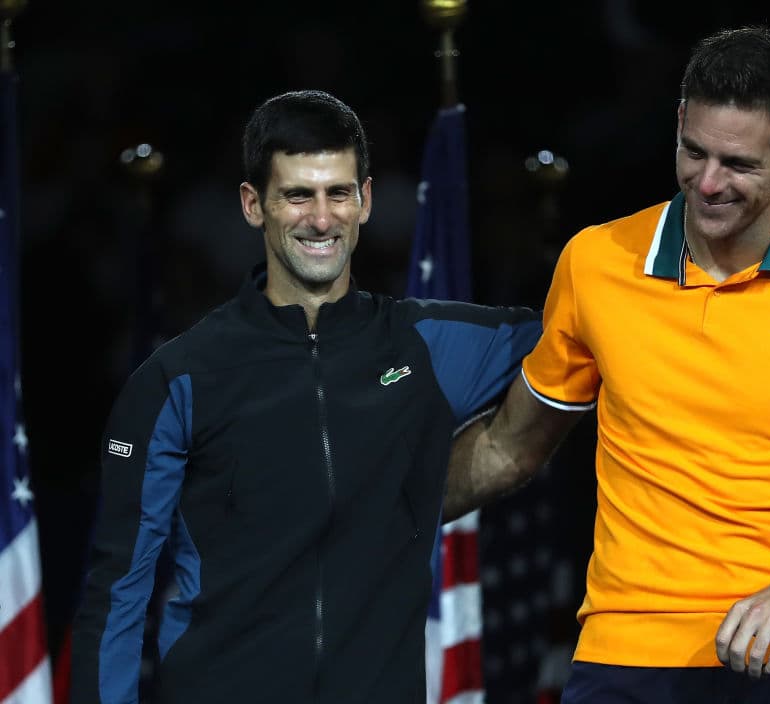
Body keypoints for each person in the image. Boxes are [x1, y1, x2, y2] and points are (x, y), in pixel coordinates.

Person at [444, 25, 770, 703]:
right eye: (693, 153)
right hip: (628, 656)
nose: (709, 182)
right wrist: (362, 507)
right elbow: (506, 449)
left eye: (740, 164)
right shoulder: (595, 263)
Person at [69, 89, 549, 704]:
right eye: (297, 195)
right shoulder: (177, 381)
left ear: (366, 200)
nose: (321, 219)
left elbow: (586, 327)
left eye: (338, 193)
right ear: (253, 205)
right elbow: (117, 596)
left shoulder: (424, 346)